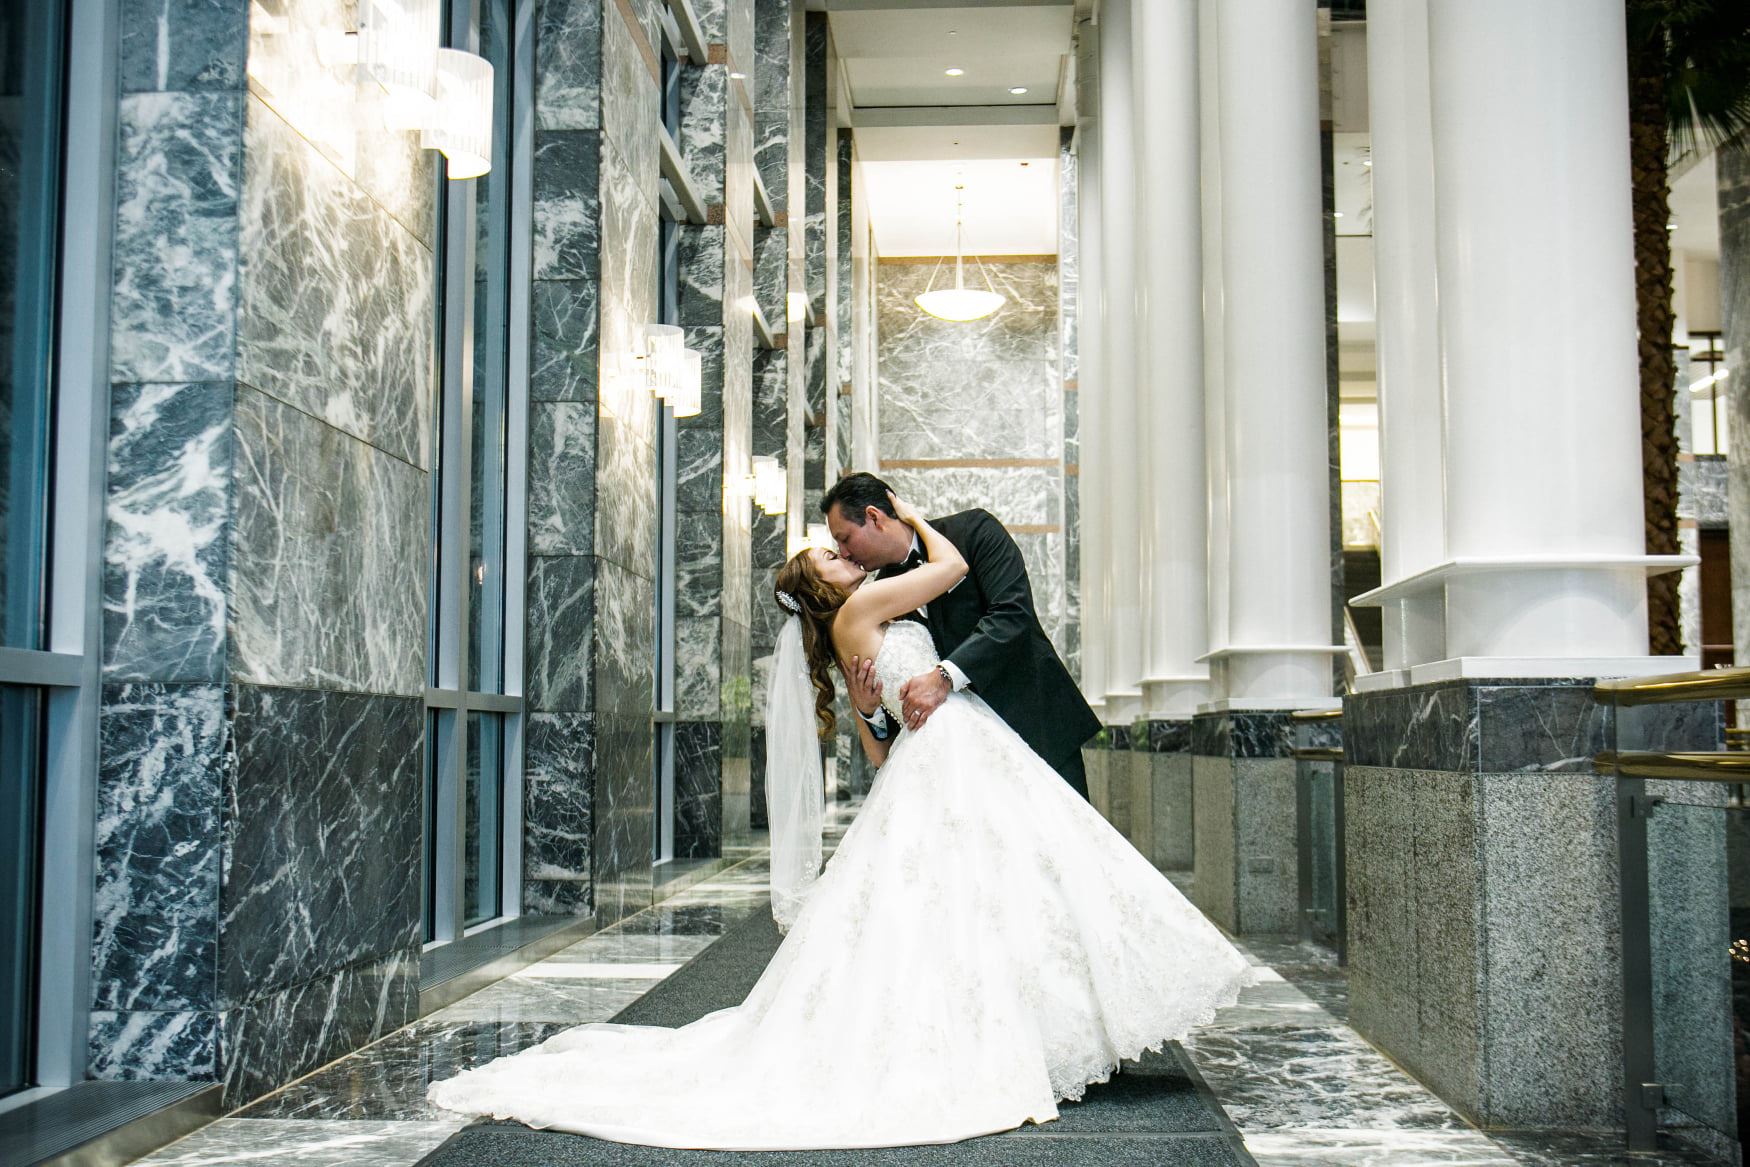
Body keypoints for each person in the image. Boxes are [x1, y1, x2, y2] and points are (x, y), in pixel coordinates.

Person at [426, 492, 1253, 1150]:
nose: (846, 552)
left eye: (843, 539)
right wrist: (917, 519)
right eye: (834, 553)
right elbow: (954, 565)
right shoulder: (874, 603)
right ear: (830, 580)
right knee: (995, 894)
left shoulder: (858, 625)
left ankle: (1037, 1028)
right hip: (955, 762)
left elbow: (882, 747)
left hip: (957, 758)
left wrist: (876, 709)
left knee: (991, 896)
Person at [821, 471, 1099, 799]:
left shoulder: (973, 531)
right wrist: (870, 712)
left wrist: (944, 676)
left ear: (873, 516)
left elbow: (1012, 613)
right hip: (969, 761)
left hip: (1035, 721)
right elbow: (902, 710)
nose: (844, 552)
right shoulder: (880, 596)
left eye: (845, 538)